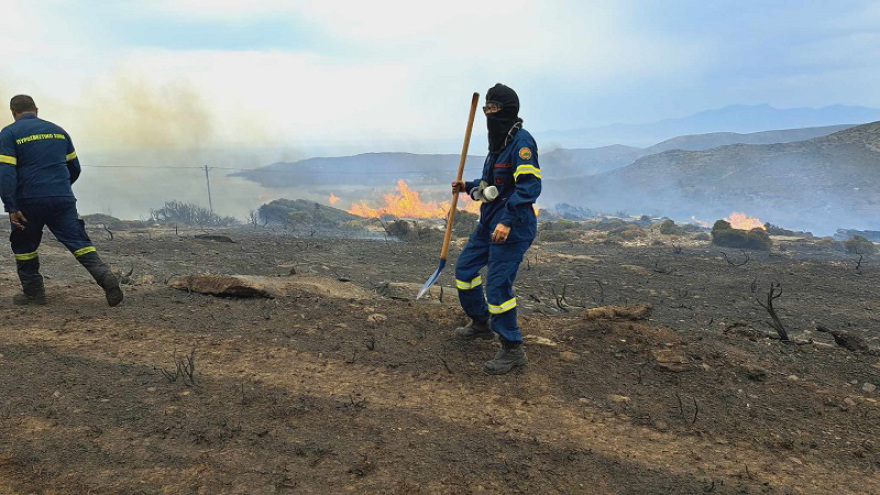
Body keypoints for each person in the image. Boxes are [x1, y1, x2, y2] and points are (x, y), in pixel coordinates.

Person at [451, 84, 541, 374]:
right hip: (489, 220)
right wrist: (468, 187)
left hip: (512, 225)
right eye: (487, 109)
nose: (490, 114)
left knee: (498, 286)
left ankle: (513, 348)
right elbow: (492, 184)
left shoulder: (522, 143)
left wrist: (507, 221)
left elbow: (528, 187)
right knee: (465, 272)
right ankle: (481, 322)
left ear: (509, 109)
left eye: (495, 109)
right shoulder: (498, 144)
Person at [0, 95, 122, 306]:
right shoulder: (59, 131)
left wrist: (11, 205)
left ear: (13, 112)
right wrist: (60, 189)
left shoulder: (9, 133)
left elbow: (6, 172)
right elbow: (75, 168)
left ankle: (34, 294)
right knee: (79, 242)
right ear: (36, 109)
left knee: (24, 245)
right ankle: (105, 277)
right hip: (62, 198)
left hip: (29, 201)